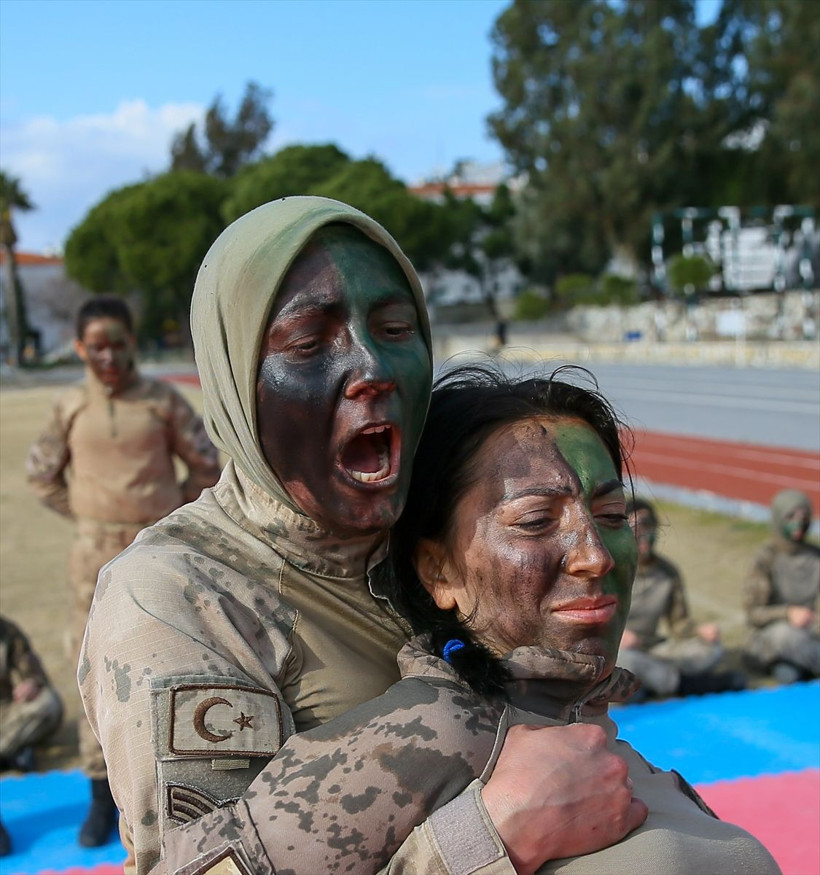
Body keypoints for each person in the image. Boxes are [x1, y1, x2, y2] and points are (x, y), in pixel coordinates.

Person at [80, 197, 646, 875]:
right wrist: (489, 837)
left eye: (396, 327)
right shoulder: (177, 595)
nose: (372, 366)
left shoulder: (439, 525)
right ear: (235, 376)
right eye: (311, 343)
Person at [162, 363, 779, 875]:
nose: (595, 556)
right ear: (439, 573)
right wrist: (484, 842)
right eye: (536, 521)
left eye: (613, 516)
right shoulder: (425, 736)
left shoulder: (584, 730)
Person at [27, 296, 221, 847]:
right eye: (97, 346)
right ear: (80, 348)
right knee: (90, 664)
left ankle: (179, 791)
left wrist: (163, 516)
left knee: (171, 662)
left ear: (132, 343)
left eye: (118, 344)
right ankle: (97, 798)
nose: (108, 356)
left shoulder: (163, 402)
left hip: (156, 552)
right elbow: (42, 477)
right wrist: (90, 516)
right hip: (91, 557)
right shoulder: (69, 406)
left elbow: (206, 466)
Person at [617, 498, 744, 699]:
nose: (644, 535)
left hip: (653, 648)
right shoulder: (610, 569)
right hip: (616, 648)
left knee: (710, 650)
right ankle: (685, 684)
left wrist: (699, 631)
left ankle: (646, 683)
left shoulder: (668, 572)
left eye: (648, 526)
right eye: (636, 527)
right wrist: (618, 635)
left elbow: (678, 623)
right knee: (624, 661)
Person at [0, 615, 63, 858]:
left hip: (6, 713)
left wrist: (31, 683)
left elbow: (33, 672)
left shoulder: (5, 630)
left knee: (48, 703)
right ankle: (12, 756)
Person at [743, 489, 820, 683]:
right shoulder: (766, 558)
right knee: (786, 636)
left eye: (803, 516)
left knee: (790, 667)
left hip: (807, 631)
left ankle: (794, 667)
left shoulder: (815, 556)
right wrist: (787, 613)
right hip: (771, 635)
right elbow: (754, 614)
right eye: (791, 516)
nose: (798, 522)